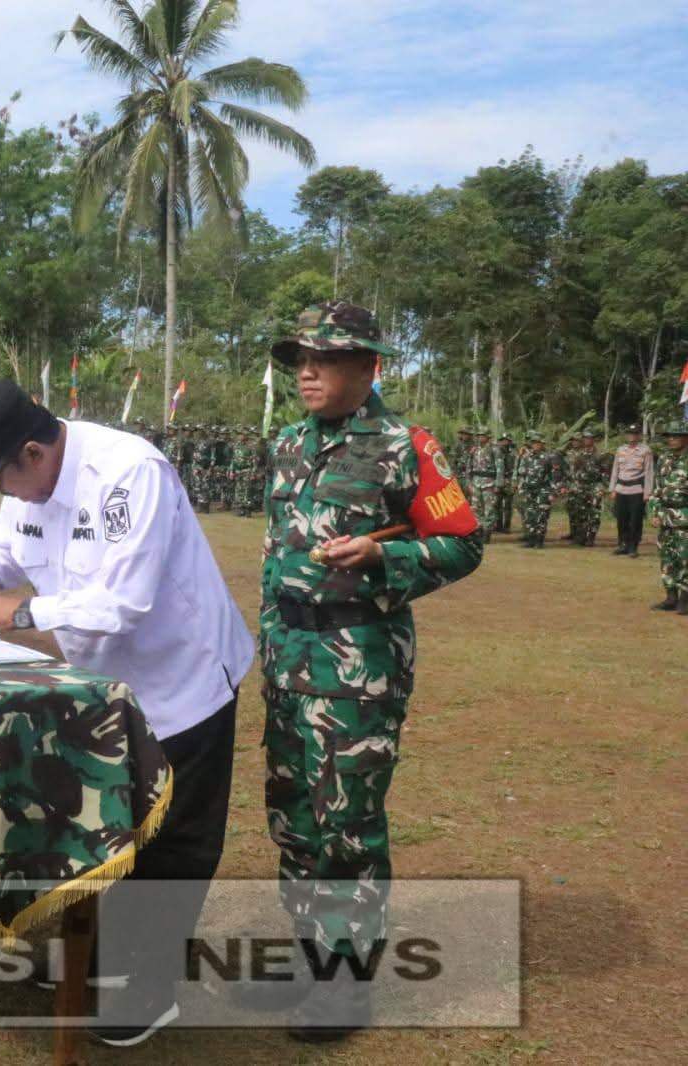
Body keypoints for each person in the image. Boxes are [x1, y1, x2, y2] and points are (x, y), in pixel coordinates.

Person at [0, 379, 254, 1048]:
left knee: (173, 842)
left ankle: (144, 992)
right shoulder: (28, 482)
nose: (3, 493)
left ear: (32, 452)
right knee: (99, 824)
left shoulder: (128, 473)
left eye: (2, 479)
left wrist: (23, 611)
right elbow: (5, 551)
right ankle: (93, 957)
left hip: (182, 680)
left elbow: (124, 603)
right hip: (103, 686)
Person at [241, 303, 482, 1040]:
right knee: (293, 819)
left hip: (356, 671)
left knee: (346, 824)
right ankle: (309, 959)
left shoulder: (406, 446)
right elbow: (278, 554)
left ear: (367, 365)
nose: (306, 372)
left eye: (325, 359)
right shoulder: (288, 442)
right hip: (289, 662)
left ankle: (344, 984)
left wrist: (385, 555)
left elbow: (462, 543)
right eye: (300, 360)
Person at [648, 422, 688, 614]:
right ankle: (671, 597)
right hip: (665, 517)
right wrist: (654, 511)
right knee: (667, 557)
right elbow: (656, 488)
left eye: (676, 435)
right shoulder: (664, 458)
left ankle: (685, 600)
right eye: (669, 436)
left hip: (685, 517)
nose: (672, 439)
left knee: (685, 558)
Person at [609, 424, 653, 557]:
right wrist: (612, 489)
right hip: (621, 489)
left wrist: (647, 492)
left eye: (634, 434)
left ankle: (633, 546)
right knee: (621, 519)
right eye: (629, 433)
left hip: (637, 489)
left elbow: (649, 472)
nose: (632, 436)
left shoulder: (645, 451)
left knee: (635, 520)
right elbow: (615, 470)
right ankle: (623, 544)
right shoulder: (620, 450)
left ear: (639, 435)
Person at [517, 433, 558, 548]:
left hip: (543, 490)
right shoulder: (526, 457)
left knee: (541, 516)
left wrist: (553, 492)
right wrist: (521, 488)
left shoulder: (549, 458)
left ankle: (539, 540)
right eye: (533, 443)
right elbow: (521, 473)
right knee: (529, 515)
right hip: (529, 490)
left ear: (542, 444)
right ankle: (531, 539)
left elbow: (554, 476)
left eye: (538, 443)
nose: (535, 445)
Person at [493, 431, 518, 533]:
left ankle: (506, 526)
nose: (504, 442)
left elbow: (516, 467)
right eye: (502, 440)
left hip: (509, 480)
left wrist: (514, 481)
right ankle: (498, 525)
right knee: (497, 504)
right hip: (498, 480)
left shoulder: (514, 453)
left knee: (508, 505)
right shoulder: (496, 452)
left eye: (506, 440)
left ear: (510, 441)